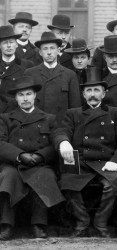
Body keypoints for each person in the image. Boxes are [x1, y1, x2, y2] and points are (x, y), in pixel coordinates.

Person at [52, 67, 117, 238]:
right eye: (89, 90)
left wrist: (116, 161)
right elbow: (61, 131)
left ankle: (101, 222)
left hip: (106, 163)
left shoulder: (115, 113)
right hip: (81, 162)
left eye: (97, 90)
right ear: (83, 94)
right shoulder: (73, 114)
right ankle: (82, 222)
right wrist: (64, 142)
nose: (93, 94)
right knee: (67, 182)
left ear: (104, 93)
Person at [0, 76, 65, 240]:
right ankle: (6, 225)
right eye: (21, 95)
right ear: (16, 98)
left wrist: (40, 155)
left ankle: (38, 224)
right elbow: (0, 143)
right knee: (8, 177)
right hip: (13, 163)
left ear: (35, 96)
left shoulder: (48, 118)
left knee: (45, 176)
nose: (25, 98)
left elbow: (55, 140)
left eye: (28, 94)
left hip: (39, 163)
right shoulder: (6, 118)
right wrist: (20, 155)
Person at [24, 32, 81, 125]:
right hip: (37, 125)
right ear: (40, 52)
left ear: (58, 50)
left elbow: (75, 108)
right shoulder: (30, 73)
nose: (49, 52)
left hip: (62, 126)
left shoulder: (70, 74)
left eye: (52, 48)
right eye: (45, 49)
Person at [0, 25, 34, 96]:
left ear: (16, 44)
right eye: (5, 43)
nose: (9, 45)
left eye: (11, 42)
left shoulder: (27, 65)